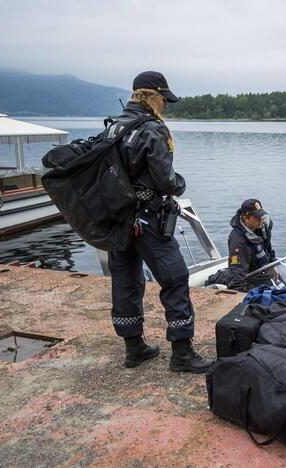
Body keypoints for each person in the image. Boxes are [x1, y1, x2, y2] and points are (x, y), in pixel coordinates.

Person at [107, 71, 213, 373]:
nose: (165, 104)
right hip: (148, 219)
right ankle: (182, 353)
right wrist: (180, 183)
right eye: (163, 98)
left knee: (126, 280)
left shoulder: (115, 126)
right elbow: (165, 181)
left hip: (119, 219)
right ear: (150, 96)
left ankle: (134, 348)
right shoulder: (153, 130)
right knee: (176, 278)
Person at [206, 199, 277, 292]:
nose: (260, 220)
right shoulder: (238, 241)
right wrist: (239, 295)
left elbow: (267, 246)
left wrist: (272, 265)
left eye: (261, 216)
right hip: (248, 274)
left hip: (260, 271)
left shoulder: (260, 228)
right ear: (245, 218)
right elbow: (237, 270)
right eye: (256, 218)